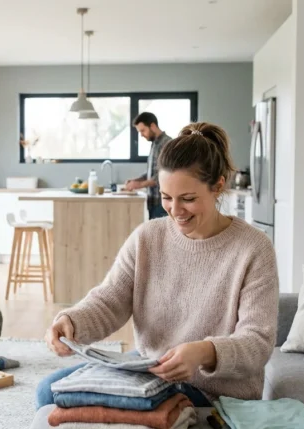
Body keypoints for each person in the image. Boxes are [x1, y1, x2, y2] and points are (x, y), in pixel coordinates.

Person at [38, 121, 279, 409]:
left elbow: (257, 343)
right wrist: (72, 321)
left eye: (188, 199)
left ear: (217, 186)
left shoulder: (253, 248)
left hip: (214, 391)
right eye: (167, 198)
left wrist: (205, 352)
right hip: (150, 372)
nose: (176, 211)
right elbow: (110, 300)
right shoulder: (147, 237)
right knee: (47, 391)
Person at [125, 112, 173, 220]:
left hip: (162, 202)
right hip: (153, 201)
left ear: (152, 126)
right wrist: (136, 180)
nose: (141, 135)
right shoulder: (155, 144)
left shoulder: (167, 144)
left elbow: (165, 175)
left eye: (143, 130)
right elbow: (153, 171)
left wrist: (139, 184)